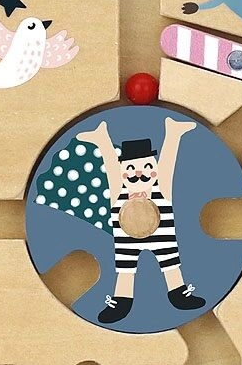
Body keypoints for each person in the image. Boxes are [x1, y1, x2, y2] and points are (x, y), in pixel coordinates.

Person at [78, 118, 206, 324]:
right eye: (130, 168)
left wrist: (173, 136)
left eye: (146, 166)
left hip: (161, 235)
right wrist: (103, 141)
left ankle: (178, 294)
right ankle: (122, 301)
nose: (138, 173)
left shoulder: (161, 189)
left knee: (170, 262)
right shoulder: (119, 192)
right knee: (125, 269)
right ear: (123, 172)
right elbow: (111, 167)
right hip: (126, 239)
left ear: (154, 169)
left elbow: (168, 163)